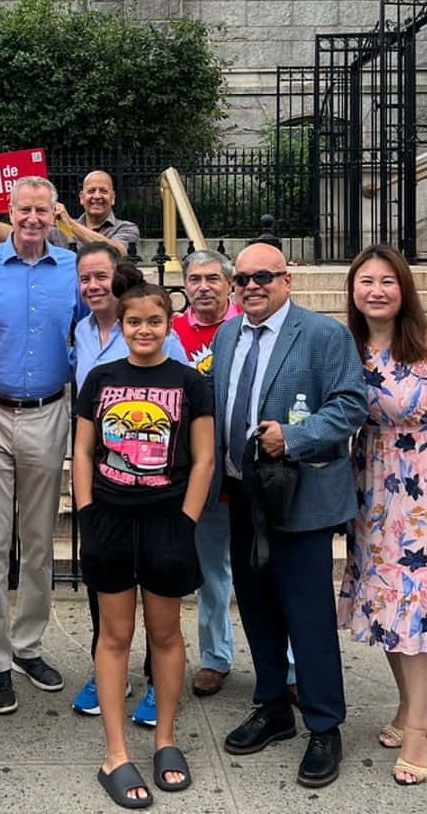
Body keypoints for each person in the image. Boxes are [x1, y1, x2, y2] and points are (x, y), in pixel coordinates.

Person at [210, 242, 367, 789]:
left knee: (308, 614)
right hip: (243, 494)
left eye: (263, 277)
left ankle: (324, 725)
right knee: (256, 607)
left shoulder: (323, 334)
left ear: (287, 280)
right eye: (242, 279)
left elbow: (351, 404)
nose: (251, 286)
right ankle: (274, 705)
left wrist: (294, 437)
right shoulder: (226, 335)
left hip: (300, 496)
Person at [337, 245, 427, 786]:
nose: (376, 290)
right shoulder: (348, 348)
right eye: (366, 281)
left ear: (404, 289)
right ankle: (409, 706)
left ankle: (420, 727)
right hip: (372, 491)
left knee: (419, 603)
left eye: (387, 281)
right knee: (386, 604)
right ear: (353, 290)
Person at [74, 279, 215, 807]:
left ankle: (165, 739)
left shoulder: (189, 382)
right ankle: (115, 752)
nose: (144, 330)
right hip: (110, 518)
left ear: (168, 324)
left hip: (166, 519)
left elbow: (204, 457)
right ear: (122, 325)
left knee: (165, 633)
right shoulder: (101, 378)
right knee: (114, 635)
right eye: (134, 321)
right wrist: (87, 511)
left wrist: (187, 520)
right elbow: (83, 450)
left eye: (154, 321)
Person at [0, 175, 84, 714]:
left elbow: (91, 332)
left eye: (42, 210)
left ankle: (28, 645)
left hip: (48, 411)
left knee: (37, 541)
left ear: (55, 214)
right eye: (23, 209)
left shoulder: (73, 269)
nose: (33, 219)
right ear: (8, 212)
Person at [171, 250, 301, 700]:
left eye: (213, 278)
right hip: (205, 476)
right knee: (211, 574)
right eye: (194, 279)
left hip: (258, 475)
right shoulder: (172, 331)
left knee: (274, 573)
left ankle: (289, 666)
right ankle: (215, 657)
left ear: (231, 285)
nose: (203, 287)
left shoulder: (248, 326)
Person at [69, 242, 188, 726]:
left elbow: (182, 412)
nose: (93, 286)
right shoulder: (81, 330)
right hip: (107, 486)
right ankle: (108, 676)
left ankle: (158, 681)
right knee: (106, 593)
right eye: (85, 279)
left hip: (157, 486)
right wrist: (85, 506)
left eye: (101, 276)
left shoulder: (157, 338)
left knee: (161, 609)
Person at [0, 169, 140, 256]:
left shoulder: (126, 228)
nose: (97, 196)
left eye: (103, 191)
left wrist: (70, 223)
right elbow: (18, 235)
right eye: (91, 191)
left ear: (113, 198)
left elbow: (117, 253)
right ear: (81, 197)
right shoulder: (60, 228)